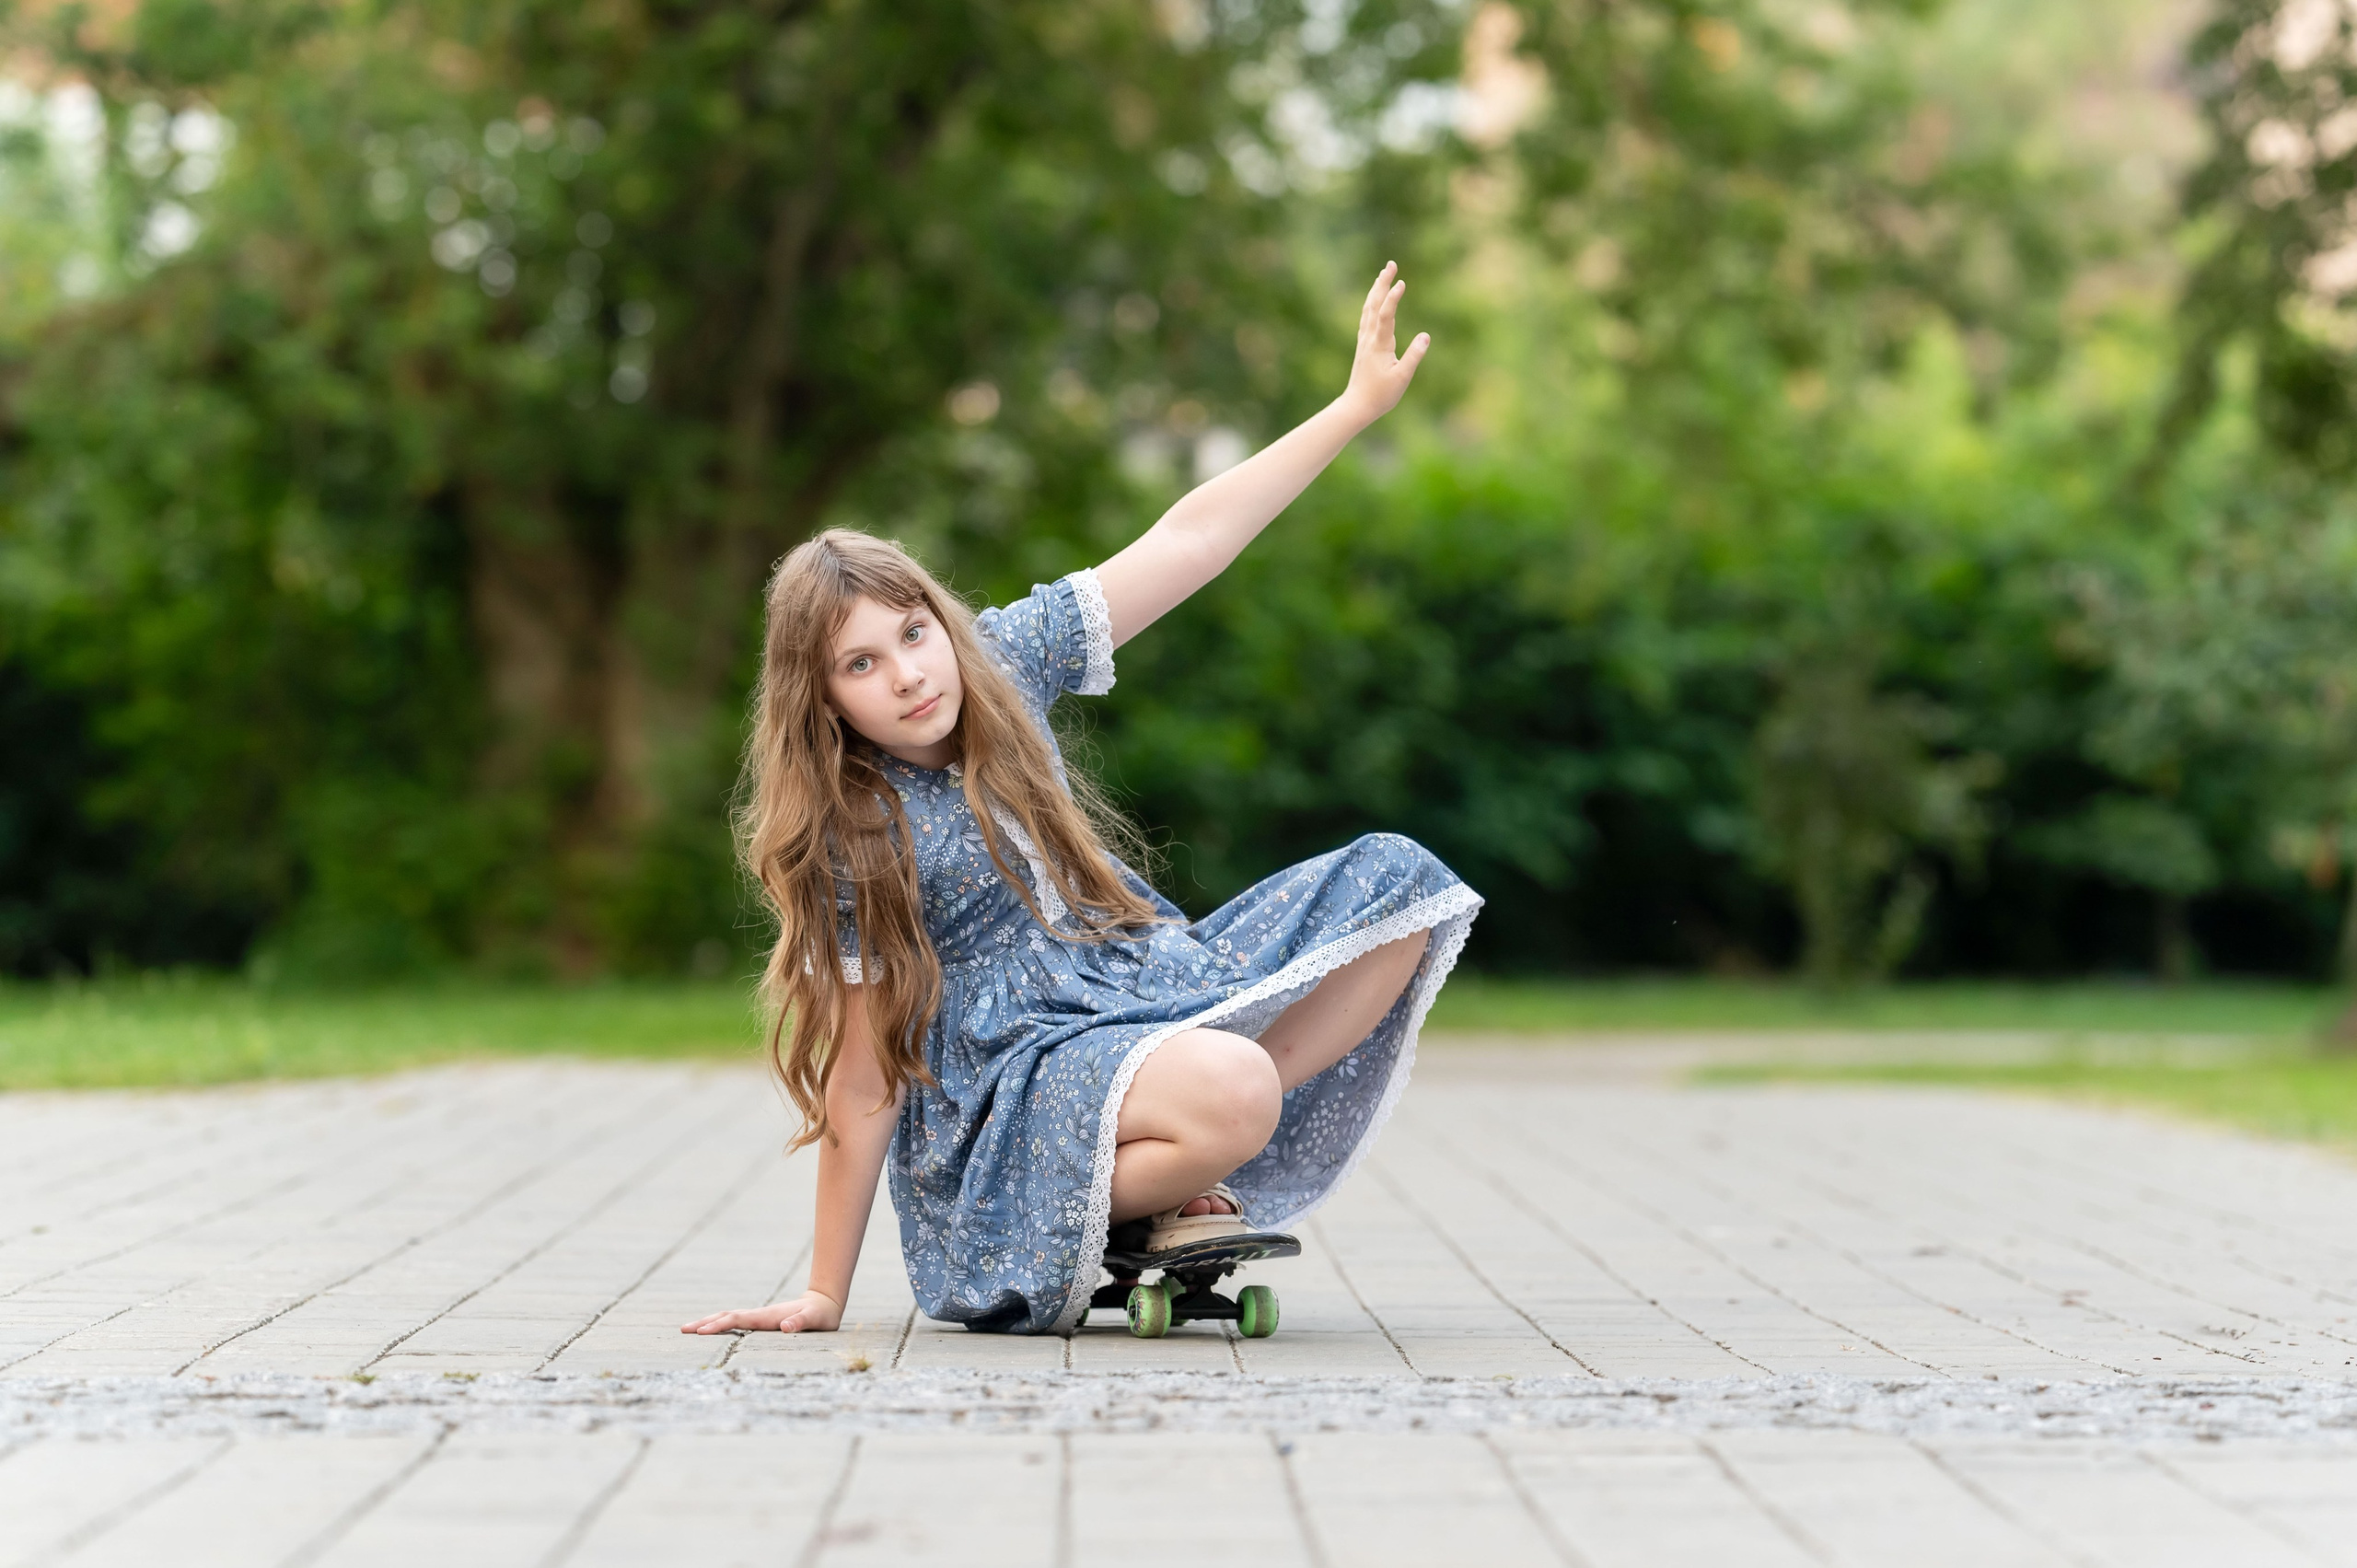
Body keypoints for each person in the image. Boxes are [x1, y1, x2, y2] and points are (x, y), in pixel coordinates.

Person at [682, 264, 1480, 1338]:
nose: (909, 674)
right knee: (1235, 1085)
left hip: (1146, 977)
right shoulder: (848, 833)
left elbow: (1190, 540)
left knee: (1403, 883)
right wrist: (823, 1290)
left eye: (912, 633)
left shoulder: (1004, 660)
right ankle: (1079, 1197)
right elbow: (866, 1077)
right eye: (861, 665)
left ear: (939, 620)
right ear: (821, 699)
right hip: (1020, 1076)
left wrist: (1350, 410)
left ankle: (1192, 1166)